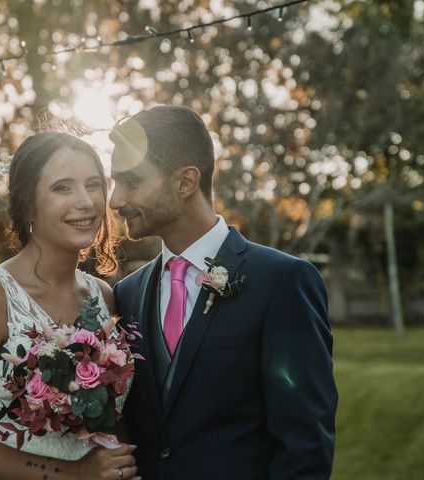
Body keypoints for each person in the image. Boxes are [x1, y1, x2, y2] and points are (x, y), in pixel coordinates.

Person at [109, 106, 338, 480]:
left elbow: (305, 445)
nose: (115, 200)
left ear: (185, 182)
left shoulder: (282, 281)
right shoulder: (126, 294)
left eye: (131, 182)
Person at [0, 132, 139, 480]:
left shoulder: (104, 296)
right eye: (63, 187)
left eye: (93, 184)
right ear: (28, 204)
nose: (86, 201)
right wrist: (71, 474)